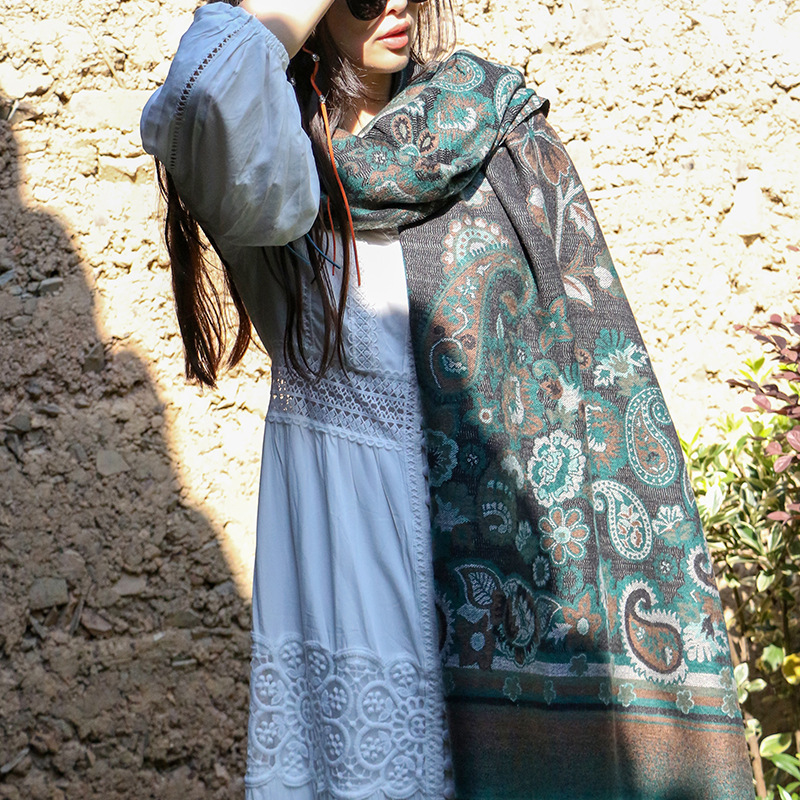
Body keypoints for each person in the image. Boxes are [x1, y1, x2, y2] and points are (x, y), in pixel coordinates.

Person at [140, 0, 755, 797]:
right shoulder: (278, 168)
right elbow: (203, 91)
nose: (394, 3)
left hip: (515, 561)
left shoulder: (491, 126)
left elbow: (587, 363)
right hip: (350, 548)